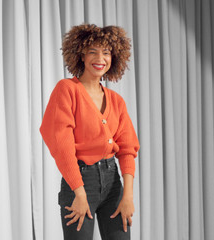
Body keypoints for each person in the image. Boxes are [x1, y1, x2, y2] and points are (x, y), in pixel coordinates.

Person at [40, 24, 140, 240]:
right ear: (81, 56)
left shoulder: (117, 101)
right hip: (80, 180)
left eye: (106, 52)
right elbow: (62, 144)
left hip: (113, 183)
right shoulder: (67, 90)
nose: (100, 58)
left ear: (114, 58)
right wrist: (79, 191)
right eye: (92, 51)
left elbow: (127, 149)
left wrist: (128, 195)